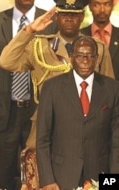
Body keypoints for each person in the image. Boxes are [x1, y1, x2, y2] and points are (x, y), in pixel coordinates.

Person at [0, 0, 114, 151]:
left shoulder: (97, 47)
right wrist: (29, 30)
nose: (69, 19)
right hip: (47, 130)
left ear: (82, 17)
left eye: (74, 15)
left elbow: (109, 92)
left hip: (86, 130)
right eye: (64, 14)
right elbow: (6, 62)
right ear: (57, 16)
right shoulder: (40, 46)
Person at [0, 0, 57, 189]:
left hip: (38, 110)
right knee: (0, 175)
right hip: (3, 110)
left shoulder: (51, 20)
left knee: (36, 173)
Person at [36, 35, 119, 189]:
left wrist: (113, 181)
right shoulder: (51, 88)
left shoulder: (113, 89)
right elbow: (42, 139)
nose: (85, 60)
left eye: (90, 56)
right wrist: (48, 180)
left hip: (99, 174)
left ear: (97, 58)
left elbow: (116, 141)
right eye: (80, 56)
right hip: (61, 176)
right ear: (71, 57)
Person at [81, 0, 119, 80]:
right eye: (96, 5)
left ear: (113, 6)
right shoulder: (80, 37)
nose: (102, 10)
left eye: (107, 4)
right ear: (89, 6)